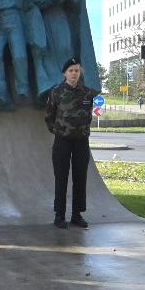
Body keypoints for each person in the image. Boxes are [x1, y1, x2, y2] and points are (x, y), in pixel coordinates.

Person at [44, 57, 97, 229]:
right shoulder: (56, 92)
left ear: (80, 73)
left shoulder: (87, 93)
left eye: (76, 70)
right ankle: (59, 215)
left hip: (81, 140)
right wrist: (60, 131)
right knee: (61, 177)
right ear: (64, 73)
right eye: (71, 71)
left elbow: (88, 116)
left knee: (80, 177)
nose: (74, 73)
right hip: (62, 140)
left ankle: (77, 214)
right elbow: (49, 116)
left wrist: (80, 130)